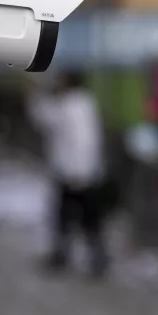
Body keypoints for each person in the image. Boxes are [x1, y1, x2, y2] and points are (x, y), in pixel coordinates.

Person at [30, 70, 108, 276]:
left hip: (73, 173)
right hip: (82, 172)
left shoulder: (71, 106)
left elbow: (81, 141)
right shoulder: (83, 104)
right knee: (83, 219)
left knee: (72, 218)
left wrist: (78, 171)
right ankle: (89, 257)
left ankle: (76, 257)